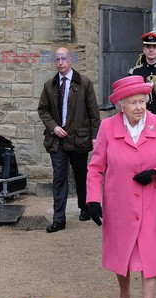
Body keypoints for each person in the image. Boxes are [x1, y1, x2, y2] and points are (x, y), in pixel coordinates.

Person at [86, 75, 156, 298]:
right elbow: (95, 168)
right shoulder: (107, 128)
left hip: (150, 203)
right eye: (133, 103)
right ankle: (124, 295)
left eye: (143, 101)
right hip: (119, 204)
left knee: (150, 256)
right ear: (121, 105)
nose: (140, 107)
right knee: (122, 254)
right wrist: (93, 200)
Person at [38, 47, 100, 233]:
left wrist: (95, 137)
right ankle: (59, 219)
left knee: (81, 175)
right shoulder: (50, 85)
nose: (60, 63)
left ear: (70, 60)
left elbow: (93, 113)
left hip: (79, 138)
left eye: (63, 58)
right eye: (57, 59)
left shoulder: (84, 83)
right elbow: (43, 110)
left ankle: (84, 206)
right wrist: (53, 127)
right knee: (59, 178)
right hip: (57, 141)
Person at [128, 32, 156, 115]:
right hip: (140, 118)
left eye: (155, 47)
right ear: (144, 49)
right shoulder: (135, 72)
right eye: (148, 47)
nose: (151, 50)